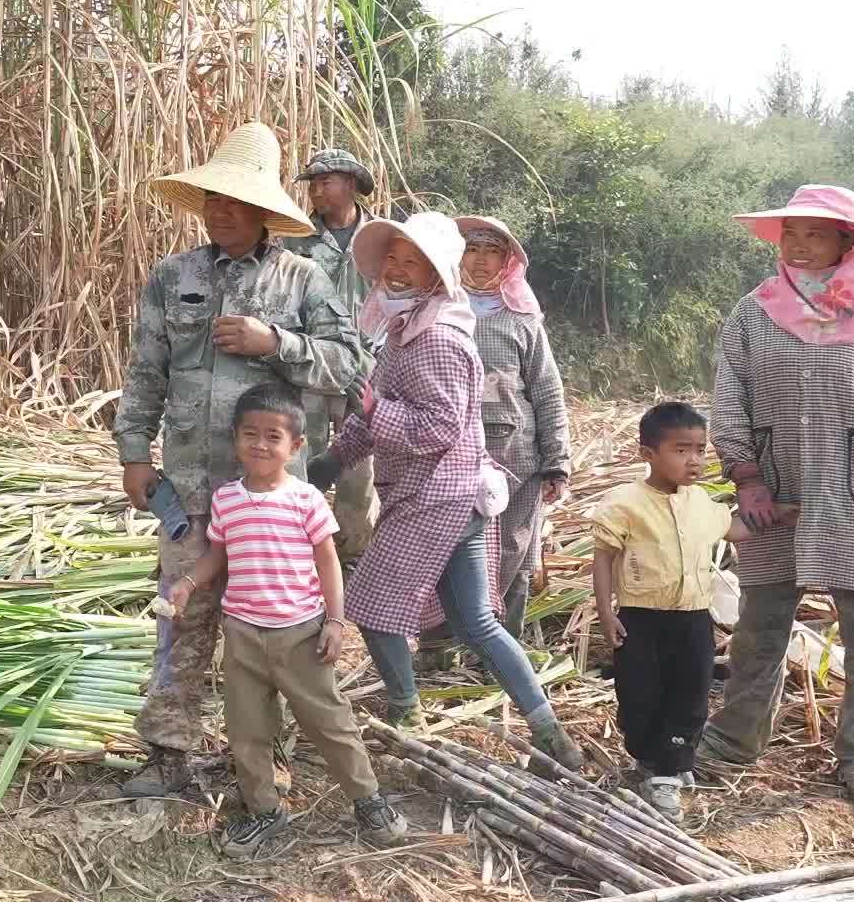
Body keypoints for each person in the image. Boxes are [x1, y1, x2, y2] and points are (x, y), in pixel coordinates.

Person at [114, 121, 360, 798]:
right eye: (211, 200)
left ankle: (266, 755)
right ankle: (168, 752)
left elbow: (348, 365)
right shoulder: (175, 277)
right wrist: (135, 453)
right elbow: (145, 372)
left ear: (262, 211)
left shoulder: (302, 279)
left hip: (273, 502)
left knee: (275, 628)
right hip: (190, 489)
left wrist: (273, 340)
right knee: (181, 617)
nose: (219, 211)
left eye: (233, 201)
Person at [308, 212, 583, 767]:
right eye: (393, 258)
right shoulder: (405, 327)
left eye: (415, 263)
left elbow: (436, 429)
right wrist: (335, 459)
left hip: (436, 494)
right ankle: (546, 725)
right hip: (453, 492)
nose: (400, 270)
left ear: (436, 277)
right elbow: (377, 413)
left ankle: (407, 710)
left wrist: (374, 412)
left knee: (374, 607)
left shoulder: (435, 337)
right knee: (477, 622)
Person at [695, 184, 854, 811]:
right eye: (792, 233)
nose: (800, 244)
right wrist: (747, 477)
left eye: (816, 233)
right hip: (773, 496)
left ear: (847, 243)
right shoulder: (753, 313)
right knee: (760, 625)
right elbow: (730, 401)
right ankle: (735, 739)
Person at [164, 384, 408, 856]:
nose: (260, 444)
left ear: (295, 446)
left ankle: (367, 799)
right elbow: (218, 554)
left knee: (329, 721)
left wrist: (336, 622)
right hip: (242, 635)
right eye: (250, 434)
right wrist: (189, 583)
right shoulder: (227, 501)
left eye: (272, 436)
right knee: (246, 728)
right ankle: (264, 810)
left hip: (300, 633)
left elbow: (328, 562)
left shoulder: (306, 501)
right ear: (235, 439)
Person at [592, 402, 781, 823]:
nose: (694, 459)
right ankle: (650, 755)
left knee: (691, 693)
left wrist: (784, 513)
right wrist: (606, 613)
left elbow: (735, 529)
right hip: (640, 619)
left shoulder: (703, 504)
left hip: (694, 619)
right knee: (639, 696)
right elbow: (603, 558)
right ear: (648, 454)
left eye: (699, 449)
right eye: (681, 450)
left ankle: (670, 770)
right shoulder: (625, 504)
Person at [454, 215, 571, 637]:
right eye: (472, 249)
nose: (481, 261)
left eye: (492, 252)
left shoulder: (522, 318)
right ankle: (448, 639)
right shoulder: (438, 308)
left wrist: (556, 461)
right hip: (453, 454)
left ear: (507, 261)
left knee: (515, 548)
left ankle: (502, 642)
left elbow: (546, 390)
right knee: (455, 547)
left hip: (518, 457)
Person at [285, 149, 382, 564]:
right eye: (313, 184)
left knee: (358, 473)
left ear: (352, 185)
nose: (317, 191)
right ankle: (298, 549)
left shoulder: (381, 240)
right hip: (310, 367)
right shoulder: (294, 237)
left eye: (326, 182)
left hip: (363, 372)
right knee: (299, 462)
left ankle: (352, 556)